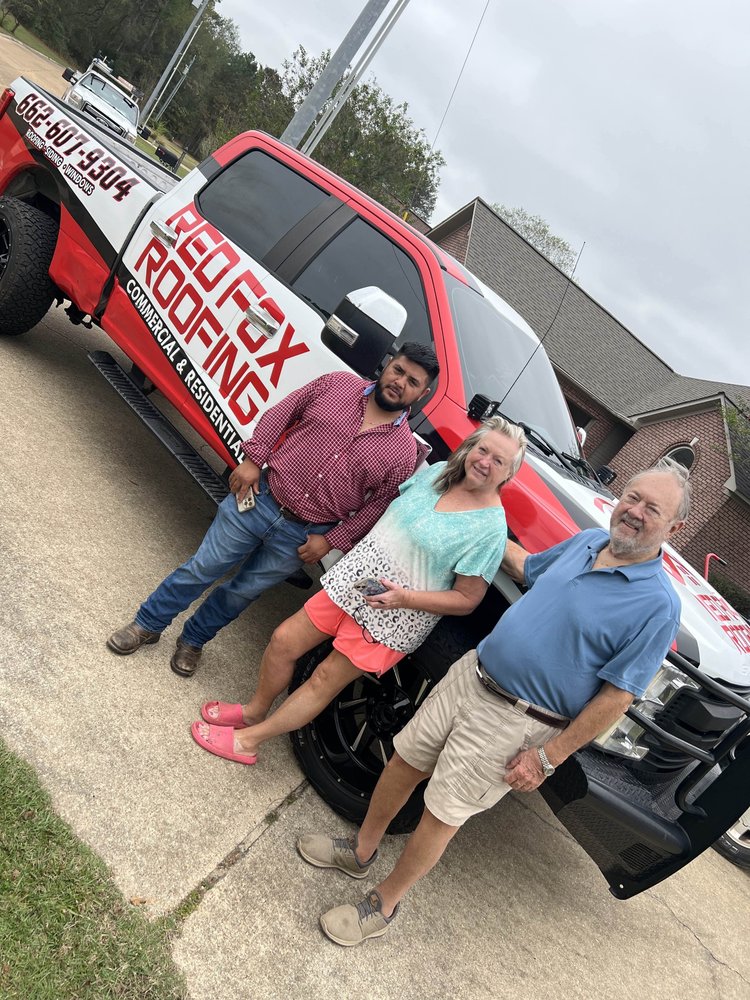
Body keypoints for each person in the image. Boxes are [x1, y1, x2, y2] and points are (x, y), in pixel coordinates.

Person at [296, 458, 690, 947]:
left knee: (442, 812)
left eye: (651, 509)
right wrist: (479, 519)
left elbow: (618, 696)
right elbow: (528, 566)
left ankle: (387, 900)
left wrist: (550, 757)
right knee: (403, 761)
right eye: (631, 497)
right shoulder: (589, 543)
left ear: (674, 527)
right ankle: (359, 850)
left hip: (519, 722)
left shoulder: (657, 605)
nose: (633, 511)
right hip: (471, 676)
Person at [189, 417, 528, 767]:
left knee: (323, 679)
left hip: (394, 618)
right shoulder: (438, 473)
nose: (484, 462)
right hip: (353, 583)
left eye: (498, 460)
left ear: (508, 474)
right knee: (283, 640)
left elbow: (467, 599)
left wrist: (404, 598)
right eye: (482, 449)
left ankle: (248, 741)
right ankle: (253, 712)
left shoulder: (489, 528)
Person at [107, 343, 439, 676]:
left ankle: (194, 640)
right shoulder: (337, 384)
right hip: (260, 497)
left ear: (421, 394)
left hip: (304, 535)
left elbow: (377, 506)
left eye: (412, 381)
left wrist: (332, 540)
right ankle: (147, 624)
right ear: (388, 365)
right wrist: (253, 460)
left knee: (242, 593)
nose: (400, 382)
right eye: (398, 370)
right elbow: (284, 411)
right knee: (203, 567)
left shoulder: (402, 452)